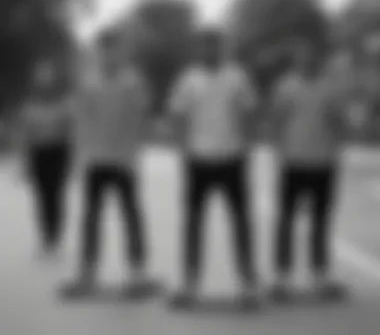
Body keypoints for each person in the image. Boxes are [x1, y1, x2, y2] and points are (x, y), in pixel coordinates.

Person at [167, 28, 259, 307]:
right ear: (200, 49)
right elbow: (178, 115)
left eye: (215, 45)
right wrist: (182, 150)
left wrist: (247, 148)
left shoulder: (238, 77)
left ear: (223, 48)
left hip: (232, 159)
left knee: (241, 223)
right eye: (206, 46)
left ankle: (248, 285)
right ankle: (190, 284)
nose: (211, 50)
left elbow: (249, 112)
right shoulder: (188, 80)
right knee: (194, 224)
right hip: (198, 161)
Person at [62, 30, 155, 297]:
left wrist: (136, 156)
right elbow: (81, 122)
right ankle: (88, 273)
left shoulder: (133, 82)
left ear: (122, 52)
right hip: (96, 160)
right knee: (91, 218)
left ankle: (138, 274)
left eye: (115, 49)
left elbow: (139, 120)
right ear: (99, 52)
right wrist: (79, 158)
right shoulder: (87, 83)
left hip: (124, 161)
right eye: (105, 49)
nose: (110, 55)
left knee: (132, 216)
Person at [271, 42, 350, 302]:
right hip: (293, 161)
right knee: (286, 220)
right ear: (297, 59)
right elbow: (277, 120)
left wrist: (337, 150)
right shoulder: (285, 86)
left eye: (313, 57)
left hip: (323, 162)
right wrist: (279, 152)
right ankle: (282, 278)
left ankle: (320, 277)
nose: (308, 61)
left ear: (320, 60)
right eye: (303, 57)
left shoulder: (331, 88)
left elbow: (339, 122)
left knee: (320, 221)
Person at [17, 60, 72, 259]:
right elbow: (25, 136)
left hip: (58, 152)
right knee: (41, 197)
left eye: (48, 75)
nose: (45, 79)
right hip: (38, 153)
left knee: (56, 195)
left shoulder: (63, 103)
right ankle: (45, 238)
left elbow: (70, 132)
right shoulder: (30, 106)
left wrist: (73, 159)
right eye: (41, 76)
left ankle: (55, 237)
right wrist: (24, 163)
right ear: (36, 81)